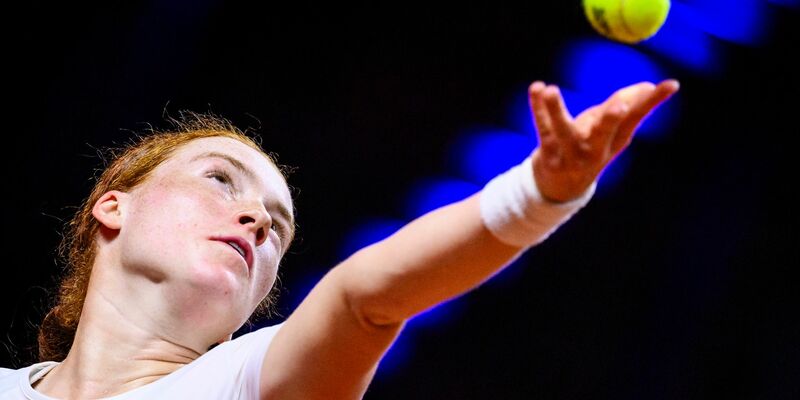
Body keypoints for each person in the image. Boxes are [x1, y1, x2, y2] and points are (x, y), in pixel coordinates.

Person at [0, 79, 679, 399]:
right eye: (220, 180)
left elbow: (364, 297)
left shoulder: (246, 384)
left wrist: (540, 193)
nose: (260, 222)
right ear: (112, 207)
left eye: (279, 226)